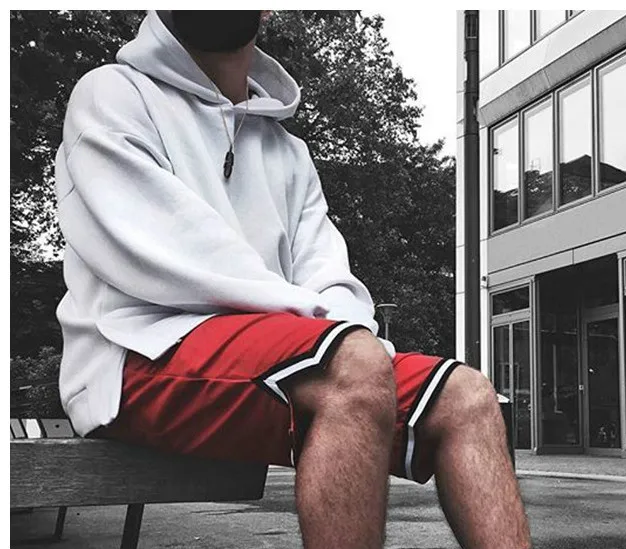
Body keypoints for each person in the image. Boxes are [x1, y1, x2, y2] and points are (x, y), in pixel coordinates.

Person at [54, 10, 532, 549]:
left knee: (468, 396)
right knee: (351, 363)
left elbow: (330, 277)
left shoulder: (287, 150)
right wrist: (347, 353)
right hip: (135, 358)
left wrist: (360, 354)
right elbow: (161, 250)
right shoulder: (113, 94)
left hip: (270, 362)